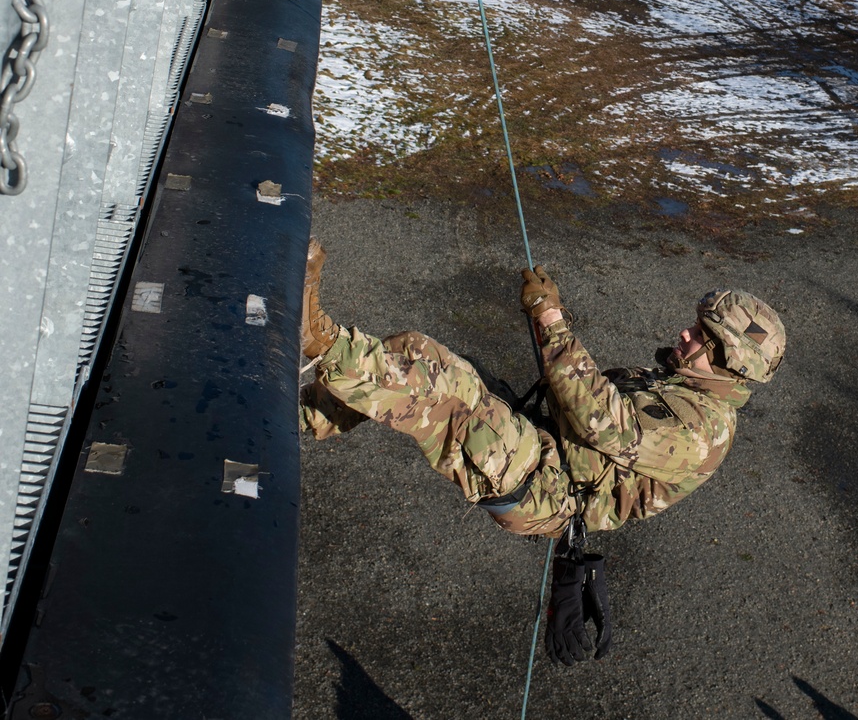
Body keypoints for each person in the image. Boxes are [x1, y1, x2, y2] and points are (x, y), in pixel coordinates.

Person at [300, 251, 785, 664]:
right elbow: (577, 388)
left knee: (447, 392)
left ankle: (319, 343)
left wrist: (550, 320)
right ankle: (305, 415)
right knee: (417, 350)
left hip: (547, 490)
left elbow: (601, 418)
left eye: (701, 336)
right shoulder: (678, 383)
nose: (685, 334)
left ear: (728, 360)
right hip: (544, 445)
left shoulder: (703, 431)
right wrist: (550, 319)